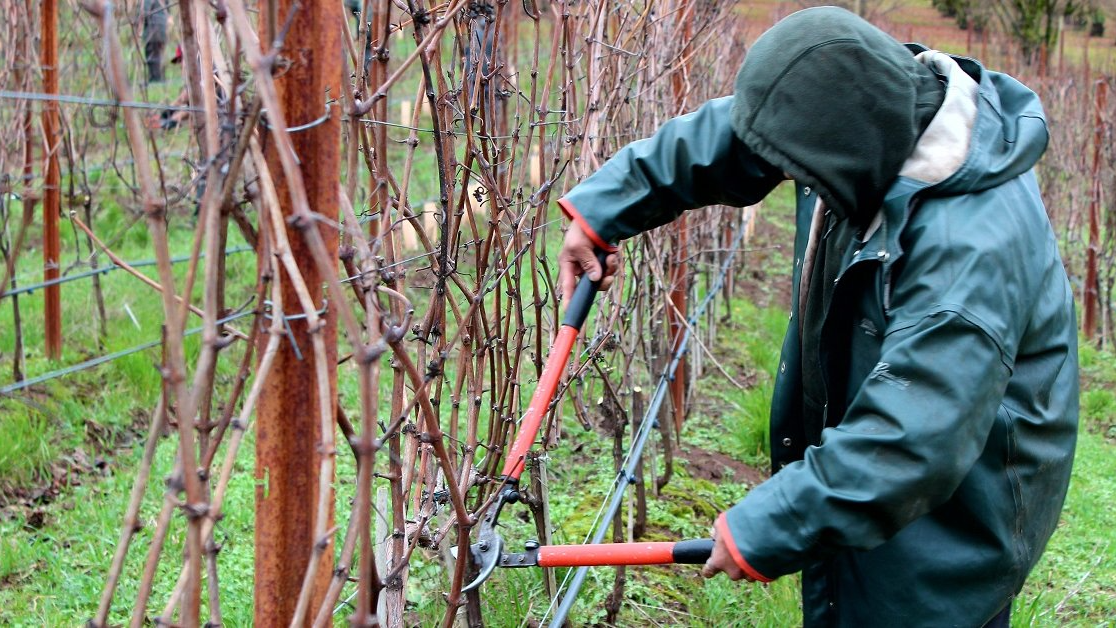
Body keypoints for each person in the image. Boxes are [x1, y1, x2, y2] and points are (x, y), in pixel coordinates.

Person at [555, 7, 1078, 627]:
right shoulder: (875, 111)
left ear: (844, 154)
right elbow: (745, 131)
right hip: (885, 466)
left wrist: (769, 526)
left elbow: (911, 442)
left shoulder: (968, 255)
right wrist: (608, 206)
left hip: (957, 512)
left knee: (896, 605)